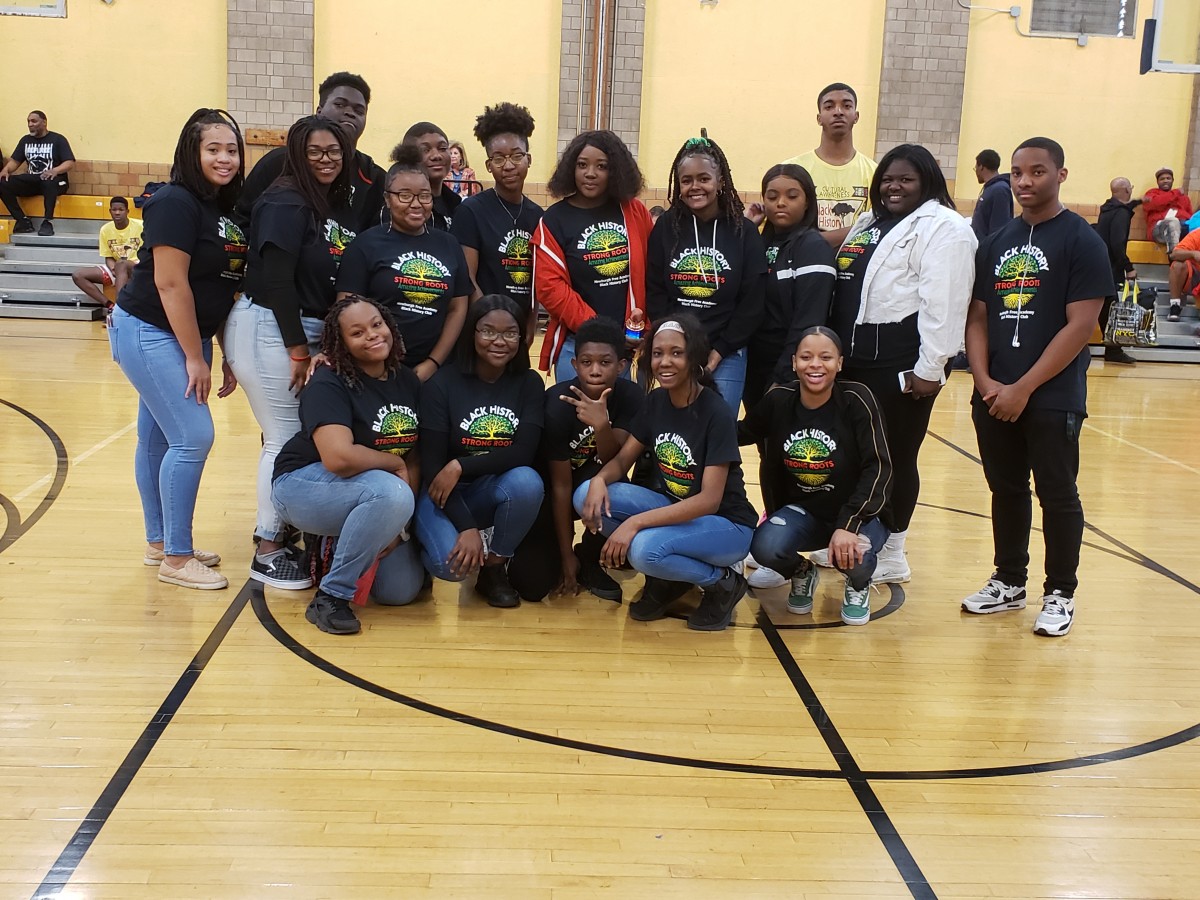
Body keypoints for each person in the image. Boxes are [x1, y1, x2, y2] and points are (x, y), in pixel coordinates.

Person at [962, 137, 1110, 638]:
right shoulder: (997, 241)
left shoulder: (1082, 241)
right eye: (1018, 173)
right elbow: (978, 315)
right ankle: (1009, 581)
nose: (1025, 182)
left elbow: (1080, 325)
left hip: (1050, 395)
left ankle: (1060, 592)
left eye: (1037, 172)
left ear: (1061, 175)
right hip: (994, 391)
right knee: (1005, 489)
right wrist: (985, 381)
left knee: (1057, 493)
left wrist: (1023, 387)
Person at [820, 143, 976, 584]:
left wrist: (931, 368)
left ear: (927, 181)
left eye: (905, 179)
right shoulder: (871, 222)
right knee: (855, 454)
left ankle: (894, 549)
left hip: (900, 362)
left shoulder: (945, 227)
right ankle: (851, 536)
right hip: (854, 361)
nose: (894, 186)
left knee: (896, 457)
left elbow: (945, 302)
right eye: (887, 178)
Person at [108, 108, 247, 590]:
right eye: (213, 149)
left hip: (187, 334)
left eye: (231, 149)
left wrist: (222, 350)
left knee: (158, 440)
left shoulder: (224, 207)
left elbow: (223, 287)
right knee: (193, 436)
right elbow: (170, 285)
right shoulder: (174, 201)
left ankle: (160, 542)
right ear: (192, 152)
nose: (224, 158)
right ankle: (178, 557)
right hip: (149, 330)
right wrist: (194, 356)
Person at [225, 115, 357, 590]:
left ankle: (285, 532)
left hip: (295, 328)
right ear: (297, 154)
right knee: (281, 436)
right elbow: (277, 282)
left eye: (334, 151)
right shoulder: (284, 199)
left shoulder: (317, 201)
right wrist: (298, 349)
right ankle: (267, 548)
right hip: (272, 328)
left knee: (295, 434)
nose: (326, 160)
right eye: (315, 151)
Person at [576, 315, 757, 631]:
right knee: (585, 497)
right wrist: (598, 480)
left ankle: (723, 582)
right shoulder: (656, 400)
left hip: (726, 524)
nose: (665, 361)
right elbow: (622, 461)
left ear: (694, 357)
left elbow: (709, 501)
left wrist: (634, 523)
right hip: (677, 510)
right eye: (658, 353)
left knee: (644, 550)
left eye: (676, 352)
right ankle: (673, 580)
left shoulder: (716, 413)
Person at [271, 296, 425, 635]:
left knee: (399, 592)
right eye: (357, 333)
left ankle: (339, 542)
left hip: (373, 493)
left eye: (376, 324)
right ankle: (330, 597)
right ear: (340, 342)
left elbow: (413, 456)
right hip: (303, 485)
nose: (372, 335)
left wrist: (398, 527)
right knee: (391, 495)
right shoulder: (328, 381)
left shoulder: (406, 381)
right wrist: (393, 464)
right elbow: (338, 458)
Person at [741, 327, 891, 625]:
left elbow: (879, 468)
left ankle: (858, 584)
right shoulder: (779, 400)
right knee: (765, 547)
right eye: (806, 357)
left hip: (857, 515)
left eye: (825, 357)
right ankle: (802, 572)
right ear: (794, 362)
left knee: (855, 556)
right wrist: (698, 413)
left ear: (839, 363)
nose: (815, 365)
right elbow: (743, 433)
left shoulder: (857, 399)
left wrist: (849, 525)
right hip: (804, 512)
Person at [740, 163, 836, 592]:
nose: (781, 202)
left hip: (787, 375)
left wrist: (782, 380)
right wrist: (748, 225)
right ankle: (776, 537)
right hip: (754, 368)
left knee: (790, 459)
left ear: (808, 200)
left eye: (792, 195)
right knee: (768, 456)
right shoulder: (764, 245)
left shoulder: (812, 246)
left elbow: (808, 321)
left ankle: (790, 551)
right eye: (773, 194)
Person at [415, 294, 546, 608]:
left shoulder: (528, 383)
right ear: (471, 332)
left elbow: (523, 453)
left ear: (522, 337)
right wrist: (466, 526)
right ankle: (420, 552)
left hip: (486, 488)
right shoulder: (442, 385)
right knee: (452, 567)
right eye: (488, 331)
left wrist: (460, 465)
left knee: (527, 481)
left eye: (510, 333)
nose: (499, 341)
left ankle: (494, 568)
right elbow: (433, 469)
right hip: (441, 493)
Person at [508, 315, 644, 603]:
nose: (595, 370)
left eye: (605, 362)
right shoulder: (557, 405)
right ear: (574, 364)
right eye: (586, 362)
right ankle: (528, 543)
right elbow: (560, 487)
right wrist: (565, 553)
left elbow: (616, 462)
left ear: (621, 365)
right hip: (550, 495)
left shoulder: (631, 395)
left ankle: (591, 557)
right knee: (532, 585)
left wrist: (601, 425)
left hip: (597, 484)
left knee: (613, 486)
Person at [646, 136, 767, 415]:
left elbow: (753, 300)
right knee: (676, 432)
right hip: (676, 351)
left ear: (720, 181)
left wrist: (720, 350)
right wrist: (674, 345)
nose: (695, 187)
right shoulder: (666, 227)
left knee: (717, 432)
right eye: (686, 180)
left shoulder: (743, 231)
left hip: (726, 353)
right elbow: (655, 289)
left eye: (704, 178)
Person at [335, 145, 471, 380]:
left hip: (433, 370)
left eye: (424, 196)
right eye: (405, 195)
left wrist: (433, 363)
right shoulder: (365, 245)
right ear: (388, 199)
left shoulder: (449, 244)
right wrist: (374, 364)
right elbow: (346, 310)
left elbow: (458, 308)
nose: (416, 204)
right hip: (378, 369)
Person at [533, 130, 653, 381]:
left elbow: (653, 271)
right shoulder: (554, 220)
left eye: (602, 166)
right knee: (576, 420)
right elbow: (550, 289)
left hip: (629, 349)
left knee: (623, 420)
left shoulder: (633, 211)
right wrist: (600, 331)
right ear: (570, 169)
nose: (590, 173)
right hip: (577, 348)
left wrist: (644, 328)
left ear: (616, 170)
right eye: (582, 165)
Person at [234, 72, 385, 234]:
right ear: (319, 111)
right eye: (340, 104)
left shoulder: (374, 178)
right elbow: (242, 219)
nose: (350, 112)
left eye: (359, 110)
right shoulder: (278, 162)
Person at [451, 102, 543, 333]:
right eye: (499, 158)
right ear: (489, 165)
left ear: (528, 160)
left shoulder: (539, 216)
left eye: (516, 156)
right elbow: (467, 279)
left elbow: (536, 281)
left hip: (519, 330)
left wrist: (530, 324)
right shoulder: (471, 211)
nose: (509, 165)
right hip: (483, 329)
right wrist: (492, 325)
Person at [782, 83, 877, 247]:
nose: (838, 111)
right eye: (829, 106)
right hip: (804, 263)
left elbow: (877, 228)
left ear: (856, 116)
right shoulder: (791, 169)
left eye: (846, 106)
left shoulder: (874, 172)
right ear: (819, 118)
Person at [0, 110, 75, 236]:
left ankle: (47, 222)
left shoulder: (58, 139)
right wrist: (5, 170)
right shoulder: (25, 140)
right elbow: (15, 161)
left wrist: (55, 170)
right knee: (2, 183)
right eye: (28, 121)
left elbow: (70, 162)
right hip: (34, 181)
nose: (30, 124)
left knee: (48, 181)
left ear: (44, 122)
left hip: (57, 182)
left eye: (34, 121)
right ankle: (22, 220)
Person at [1093, 177, 1140, 363]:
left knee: (1104, 311)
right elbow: (1117, 243)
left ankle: (1113, 351)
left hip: (1099, 266)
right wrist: (1128, 267)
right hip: (1110, 268)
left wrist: (1140, 202)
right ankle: (1113, 352)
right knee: (1109, 311)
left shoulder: (1107, 210)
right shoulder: (1121, 213)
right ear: (1127, 190)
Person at [71, 196, 143, 308]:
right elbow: (108, 256)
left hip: (137, 267)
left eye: (121, 210)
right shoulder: (105, 229)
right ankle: (110, 305)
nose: (117, 213)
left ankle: (120, 309)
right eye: (114, 210)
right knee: (78, 275)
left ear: (127, 211)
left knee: (122, 263)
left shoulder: (141, 226)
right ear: (110, 211)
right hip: (117, 269)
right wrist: (113, 269)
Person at [399, 122, 460, 231]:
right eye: (425, 150)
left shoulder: (456, 204)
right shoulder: (402, 209)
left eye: (442, 148)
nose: (436, 156)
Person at [1143, 166, 1192, 257]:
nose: (1165, 181)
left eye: (1168, 178)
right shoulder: (1151, 193)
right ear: (1157, 182)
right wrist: (1175, 193)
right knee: (1173, 222)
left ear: (1172, 180)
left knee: (1194, 227)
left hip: (1182, 226)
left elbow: (1190, 216)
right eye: (1162, 179)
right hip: (1159, 229)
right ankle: (1174, 256)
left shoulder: (1184, 198)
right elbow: (1156, 203)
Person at [970, 148, 1013, 239]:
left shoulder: (1000, 190)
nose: (976, 172)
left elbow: (999, 228)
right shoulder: (991, 188)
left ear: (981, 167)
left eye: (975, 168)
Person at [1166, 227, 1200, 322]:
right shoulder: (1197, 234)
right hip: (1195, 276)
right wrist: (1193, 254)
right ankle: (1175, 305)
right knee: (1177, 265)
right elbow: (1174, 254)